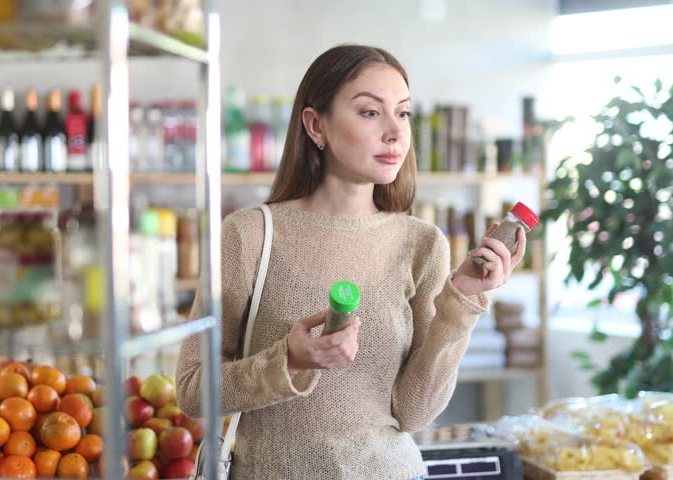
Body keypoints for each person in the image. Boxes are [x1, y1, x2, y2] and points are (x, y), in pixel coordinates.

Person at [176, 44, 526, 480]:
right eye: (369, 112)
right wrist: (288, 361)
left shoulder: (421, 243)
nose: (395, 133)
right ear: (315, 125)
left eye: (403, 113)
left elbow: (414, 413)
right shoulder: (249, 235)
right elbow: (192, 391)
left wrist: (462, 305)